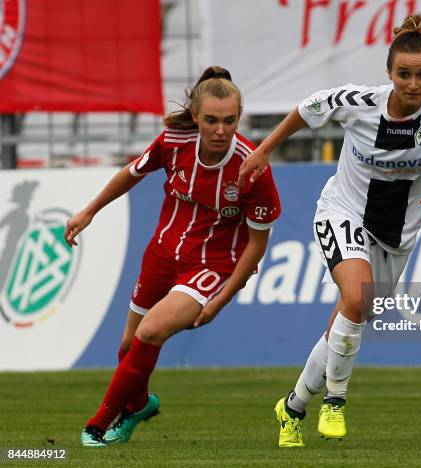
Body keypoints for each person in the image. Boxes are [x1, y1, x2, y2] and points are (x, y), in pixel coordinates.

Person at [238, 14, 421, 447]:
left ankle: (292, 406)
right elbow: (304, 110)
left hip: (397, 238)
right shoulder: (358, 102)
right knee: (355, 298)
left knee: (347, 321)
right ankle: (335, 400)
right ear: (389, 73)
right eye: (404, 74)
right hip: (343, 211)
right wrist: (262, 150)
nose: (413, 84)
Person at [65, 66, 281, 447]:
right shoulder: (173, 142)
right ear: (195, 116)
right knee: (129, 347)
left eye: (229, 120)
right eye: (211, 120)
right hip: (161, 254)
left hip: (211, 266)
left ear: (239, 116)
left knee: (150, 332)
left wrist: (219, 301)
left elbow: (256, 247)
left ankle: (97, 424)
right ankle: (139, 405)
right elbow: (132, 173)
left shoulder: (253, 168)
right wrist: (89, 211)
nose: (220, 130)